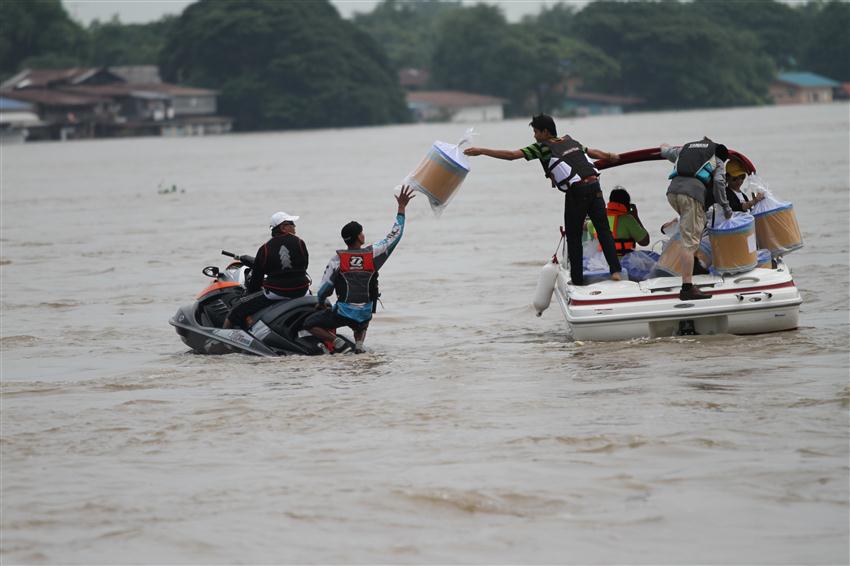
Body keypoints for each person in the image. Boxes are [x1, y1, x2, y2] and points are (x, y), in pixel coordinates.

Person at [463, 114, 622, 285]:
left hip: (577, 193)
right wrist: (610, 155)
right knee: (603, 230)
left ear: (545, 132)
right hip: (595, 187)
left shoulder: (542, 148)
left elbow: (511, 155)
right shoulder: (570, 141)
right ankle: (616, 271)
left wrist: (482, 151)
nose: (534, 136)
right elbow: (593, 153)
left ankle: (577, 280)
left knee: (574, 236)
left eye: (536, 132)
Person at [304, 186, 415, 354]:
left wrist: (320, 302)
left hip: (343, 314)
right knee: (364, 309)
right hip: (365, 315)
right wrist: (401, 208)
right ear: (359, 237)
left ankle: (337, 341)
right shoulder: (372, 254)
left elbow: (325, 288)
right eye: (362, 232)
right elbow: (395, 235)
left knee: (309, 323)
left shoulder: (337, 260)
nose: (364, 234)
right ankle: (359, 346)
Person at [661, 137, 732, 300]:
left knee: (696, 227)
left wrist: (664, 146)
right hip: (691, 195)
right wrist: (727, 209)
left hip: (672, 193)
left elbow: (665, 151)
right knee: (690, 241)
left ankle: (694, 265)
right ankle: (687, 287)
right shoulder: (717, 157)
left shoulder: (686, 150)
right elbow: (719, 182)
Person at [223, 211, 310, 329]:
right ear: (283, 227)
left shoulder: (265, 248)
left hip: (277, 293)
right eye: (292, 223)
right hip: (302, 290)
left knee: (235, 311)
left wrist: (251, 292)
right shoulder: (300, 242)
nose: (294, 226)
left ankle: (224, 340)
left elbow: (256, 280)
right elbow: (304, 266)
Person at [589, 185, 650, 255]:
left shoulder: (596, 220)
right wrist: (635, 216)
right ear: (627, 204)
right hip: (624, 261)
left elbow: (586, 226)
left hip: (602, 261)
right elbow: (645, 242)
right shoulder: (628, 220)